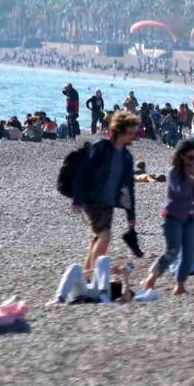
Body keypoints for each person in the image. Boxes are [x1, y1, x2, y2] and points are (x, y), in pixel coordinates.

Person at [71, 111, 143, 269]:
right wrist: (77, 199)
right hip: (92, 199)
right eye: (130, 133)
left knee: (97, 239)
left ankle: (87, 277)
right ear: (119, 131)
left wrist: (131, 215)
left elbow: (129, 187)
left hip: (108, 202)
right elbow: (82, 171)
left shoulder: (126, 157)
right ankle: (96, 276)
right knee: (105, 236)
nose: (133, 136)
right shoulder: (101, 147)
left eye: (134, 133)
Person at [140, 140, 194, 296]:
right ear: (182, 156)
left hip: (190, 219)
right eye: (191, 157)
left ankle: (180, 285)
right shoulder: (173, 173)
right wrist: (191, 177)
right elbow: (180, 192)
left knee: (189, 253)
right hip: (173, 218)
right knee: (172, 251)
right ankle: (152, 277)